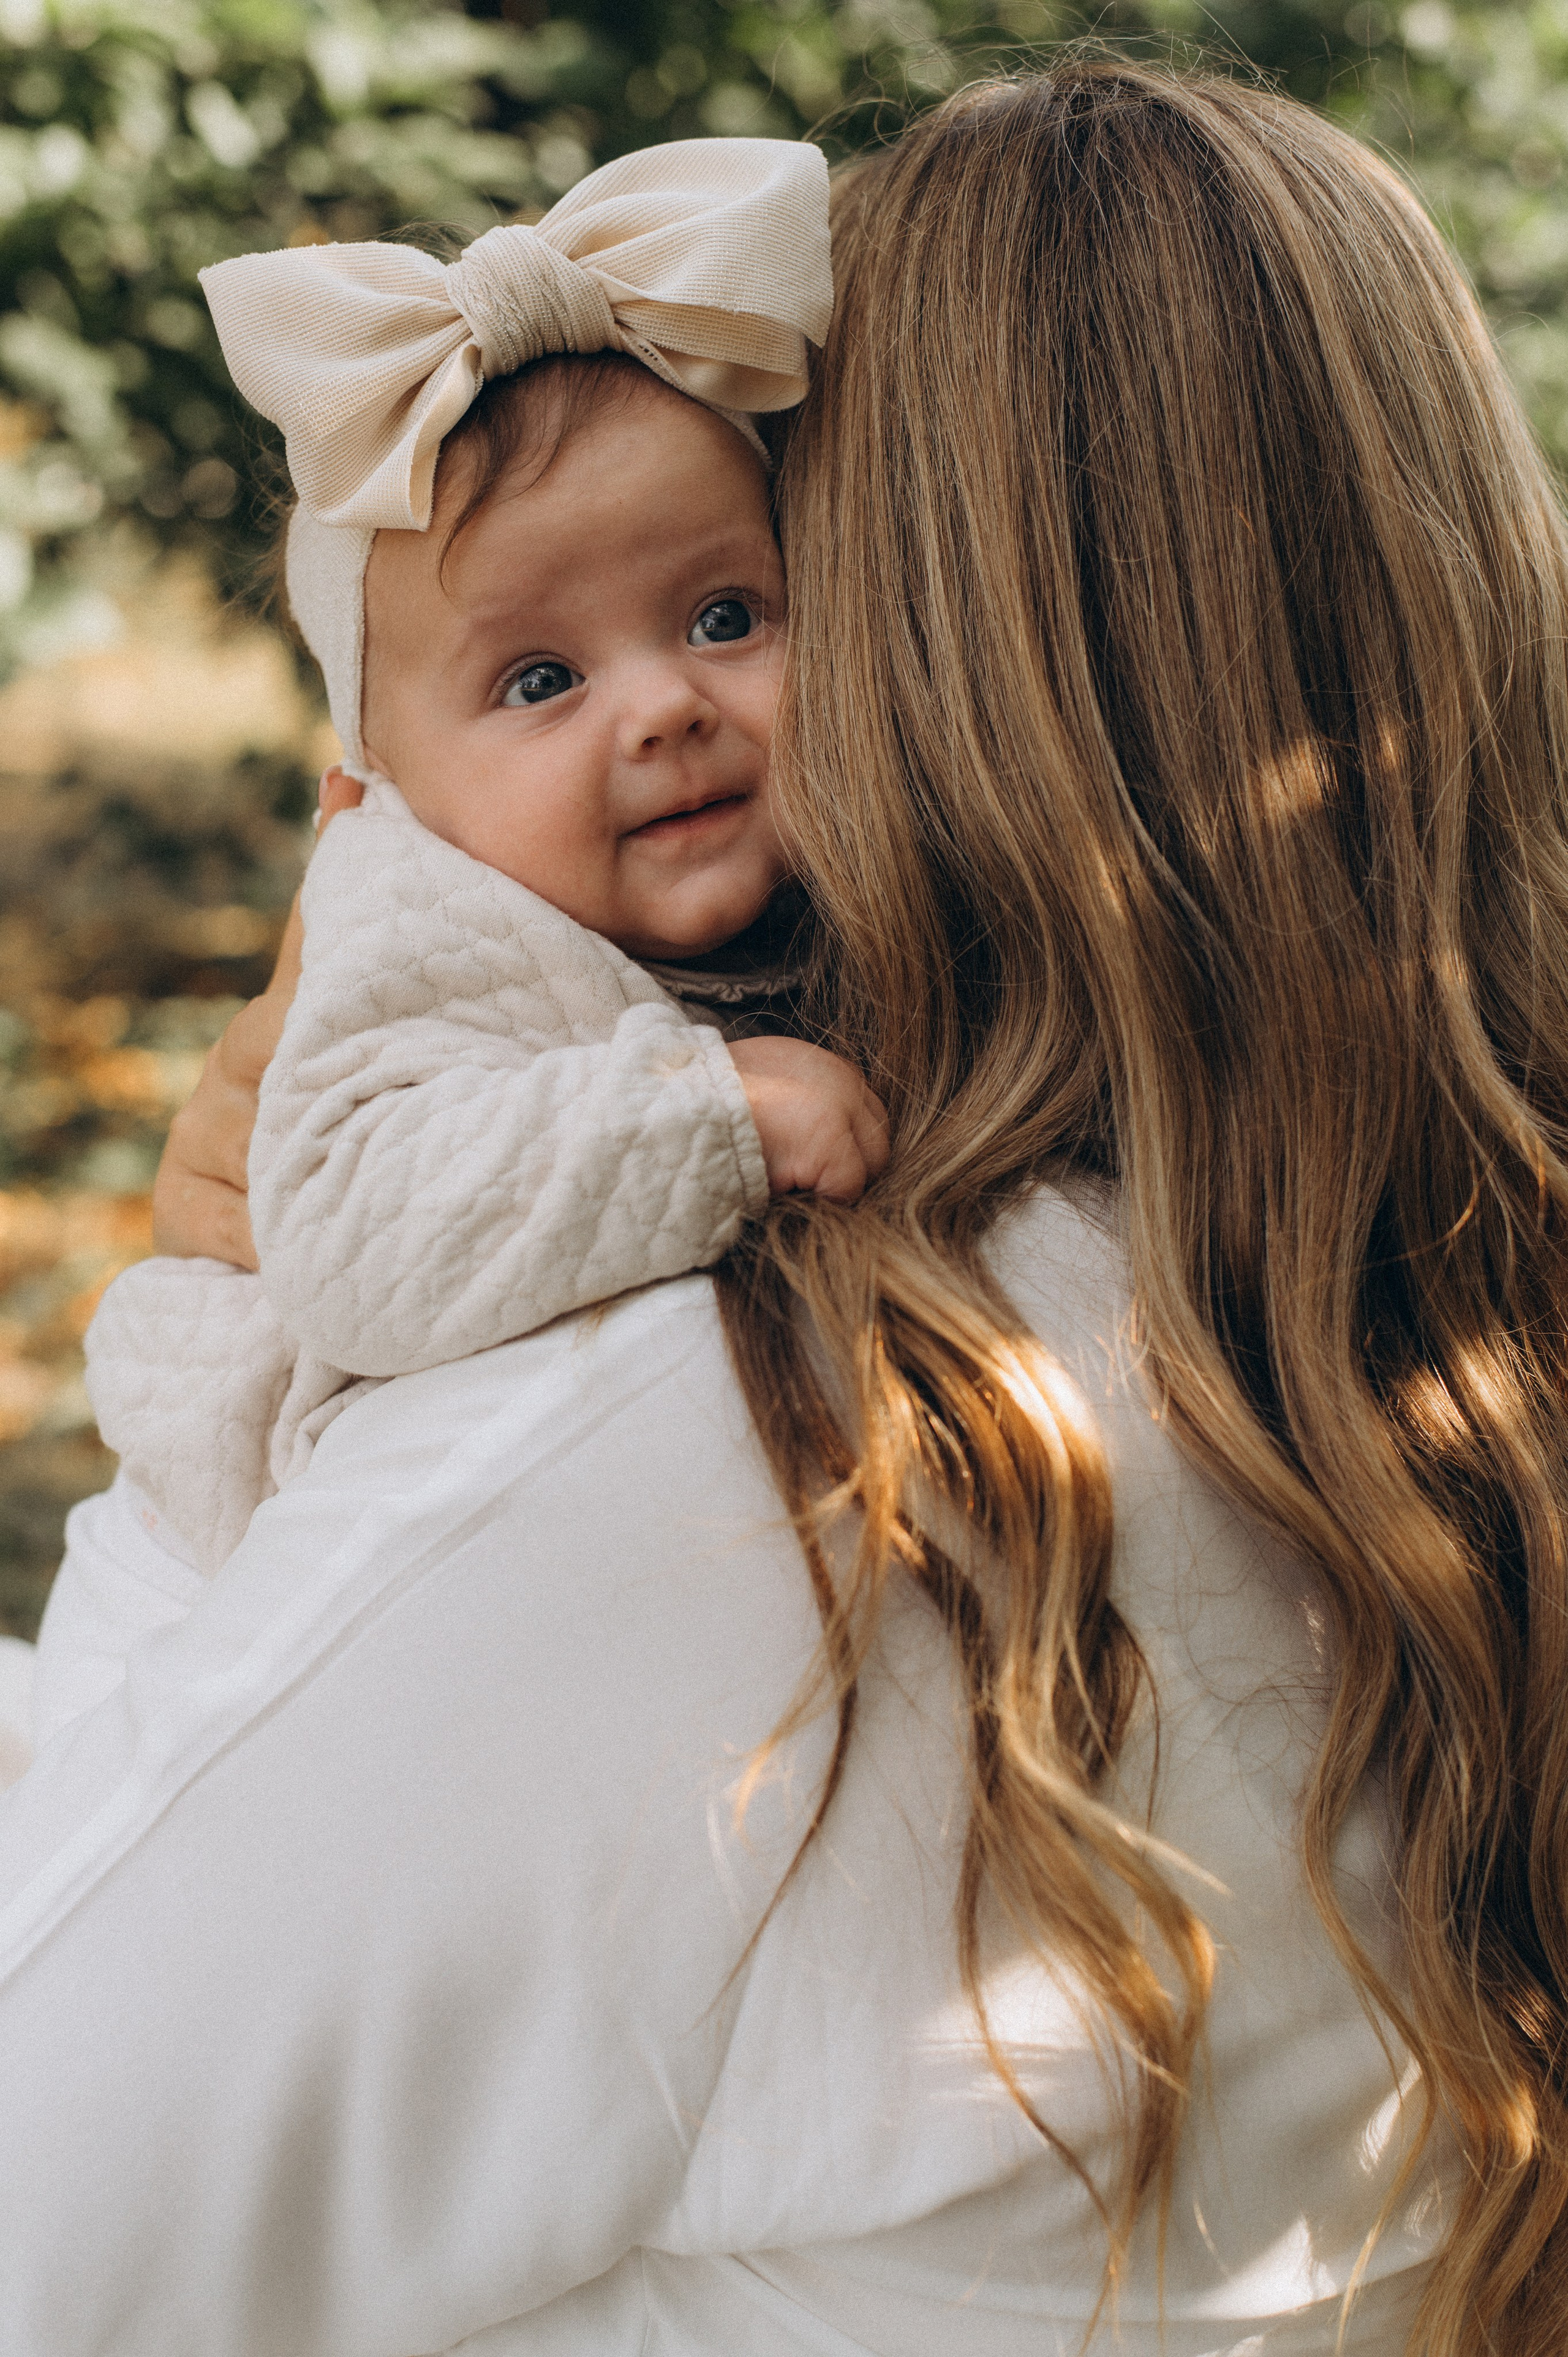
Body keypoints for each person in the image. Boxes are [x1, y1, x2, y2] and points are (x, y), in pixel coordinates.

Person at [0, 57, 1562, 2354]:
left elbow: (55, 2191)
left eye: (748, 598)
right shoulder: (1458, 1344)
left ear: (919, 643)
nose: (670, 710)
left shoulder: (750, 1451)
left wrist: (189, 1376)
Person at [59, 138, 884, 1615]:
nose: (663, 707)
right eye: (541, 679)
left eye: (723, 616)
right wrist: (711, 1121)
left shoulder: (792, 874)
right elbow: (352, 1243)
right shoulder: (421, 918)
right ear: (376, 779)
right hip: (214, 1589)